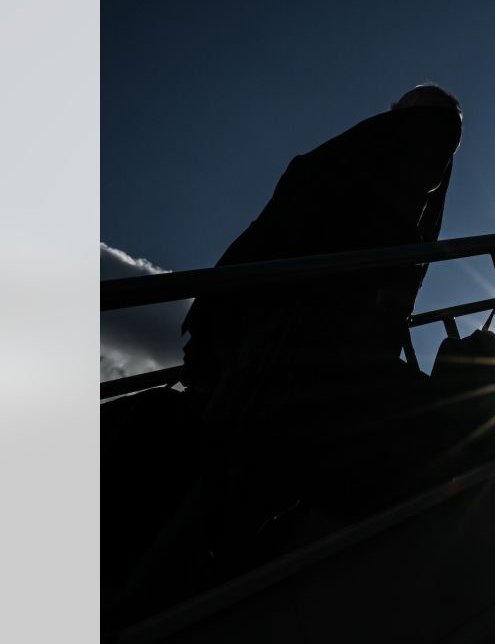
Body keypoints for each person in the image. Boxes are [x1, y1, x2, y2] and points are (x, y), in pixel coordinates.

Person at [180, 83, 464, 573]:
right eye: (444, 141)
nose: (443, 161)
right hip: (279, 339)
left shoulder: (366, 164)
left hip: (271, 335)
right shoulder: (380, 174)